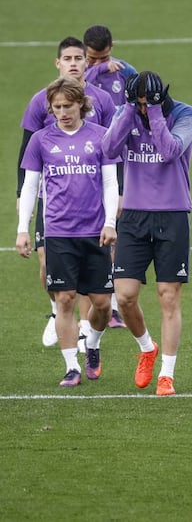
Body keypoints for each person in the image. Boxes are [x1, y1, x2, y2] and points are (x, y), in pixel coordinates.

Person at [16, 77, 118, 387]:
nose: (62, 112)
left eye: (67, 106)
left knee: (101, 303)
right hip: (58, 232)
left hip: (94, 231)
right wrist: (23, 229)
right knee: (65, 300)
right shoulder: (41, 140)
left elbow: (111, 183)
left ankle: (94, 344)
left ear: (81, 105)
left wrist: (111, 222)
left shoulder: (101, 136)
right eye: (57, 107)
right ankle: (72, 366)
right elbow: (31, 185)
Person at [102, 70, 192, 396]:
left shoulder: (185, 114)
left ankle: (166, 376)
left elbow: (170, 150)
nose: (143, 110)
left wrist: (155, 111)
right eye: (138, 104)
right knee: (126, 295)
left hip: (173, 215)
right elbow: (108, 148)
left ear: (159, 99)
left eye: (147, 104)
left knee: (168, 297)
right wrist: (128, 110)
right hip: (134, 216)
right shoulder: (127, 113)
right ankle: (146, 347)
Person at [83, 24, 138, 329]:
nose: (95, 62)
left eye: (102, 57)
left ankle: (113, 300)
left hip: (118, 157)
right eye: (91, 57)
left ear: (112, 47)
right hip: (88, 155)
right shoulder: (84, 71)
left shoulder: (124, 70)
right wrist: (96, 70)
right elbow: (75, 83)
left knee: (114, 220)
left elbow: (143, 90)